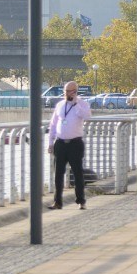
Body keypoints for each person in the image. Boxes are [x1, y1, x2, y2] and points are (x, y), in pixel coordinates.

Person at [48, 80, 91, 210]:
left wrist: (75, 103)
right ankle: (57, 202)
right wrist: (50, 142)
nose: (66, 93)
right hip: (60, 143)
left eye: (69, 91)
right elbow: (53, 124)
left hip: (75, 143)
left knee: (78, 173)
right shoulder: (60, 105)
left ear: (75, 91)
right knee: (58, 174)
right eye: (65, 91)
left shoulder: (82, 104)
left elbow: (87, 116)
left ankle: (81, 201)